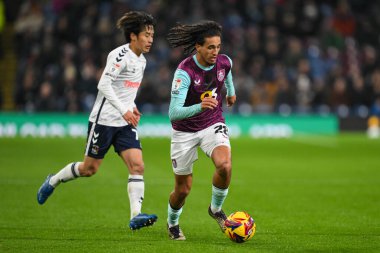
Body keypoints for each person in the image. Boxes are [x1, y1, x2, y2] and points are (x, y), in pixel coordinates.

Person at [37, 11, 158, 230]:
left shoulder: (142, 61)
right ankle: (53, 180)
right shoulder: (119, 55)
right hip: (103, 121)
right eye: (146, 35)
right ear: (133, 36)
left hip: (124, 123)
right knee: (89, 169)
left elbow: (126, 90)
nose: (150, 39)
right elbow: (103, 85)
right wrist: (123, 109)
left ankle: (135, 216)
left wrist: (132, 107)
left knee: (137, 165)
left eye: (152, 35)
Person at [166, 20, 236, 240]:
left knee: (224, 165)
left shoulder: (224, 62)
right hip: (184, 131)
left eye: (218, 46)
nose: (216, 52)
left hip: (211, 123)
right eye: (210, 47)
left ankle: (215, 209)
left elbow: (228, 72)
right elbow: (173, 113)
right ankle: (173, 222)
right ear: (198, 47)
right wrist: (199, 106)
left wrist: (231, 92)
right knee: (183, 190)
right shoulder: (184, 72)